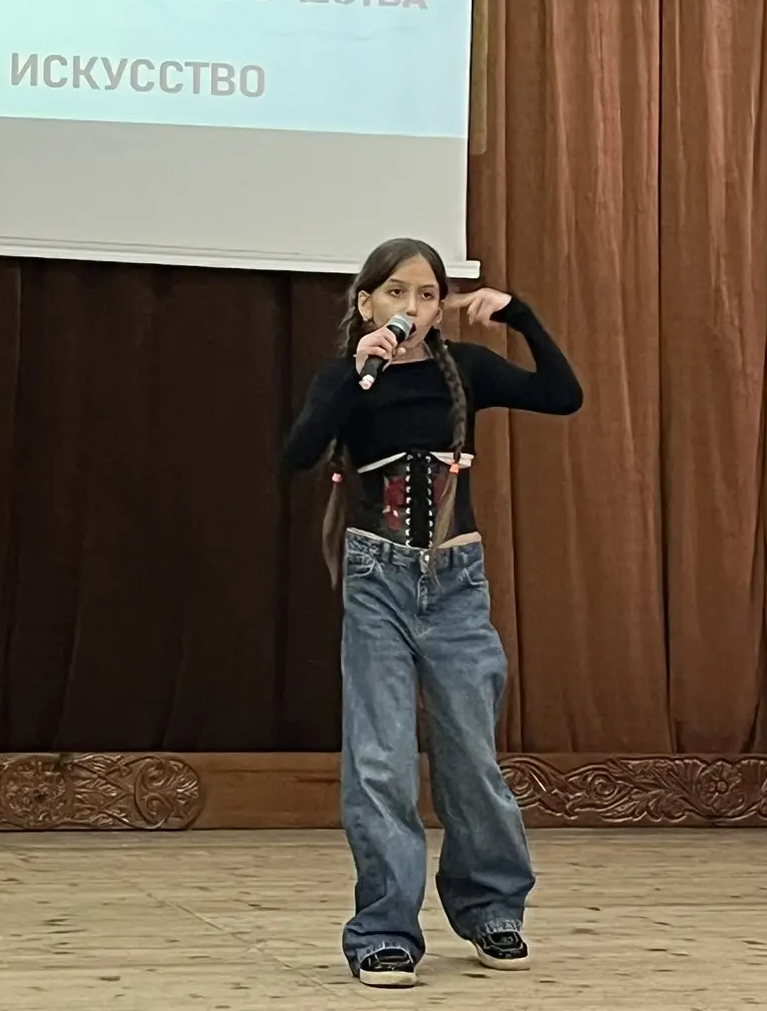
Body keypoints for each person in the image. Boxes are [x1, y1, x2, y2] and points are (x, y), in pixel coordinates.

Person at [281, 237, 582, 988]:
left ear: (440, 308)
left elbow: (563, 394)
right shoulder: (347, 377)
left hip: (456, 585)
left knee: (471, 758)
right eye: (395, 293)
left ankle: (490, 909)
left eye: (425, 296)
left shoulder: (467, 371)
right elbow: (297, 453)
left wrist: (521, 316)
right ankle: (384, 930)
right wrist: (358, 374)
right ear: (366, 303)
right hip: (377, 581)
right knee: (380, 761)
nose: (410, 308)